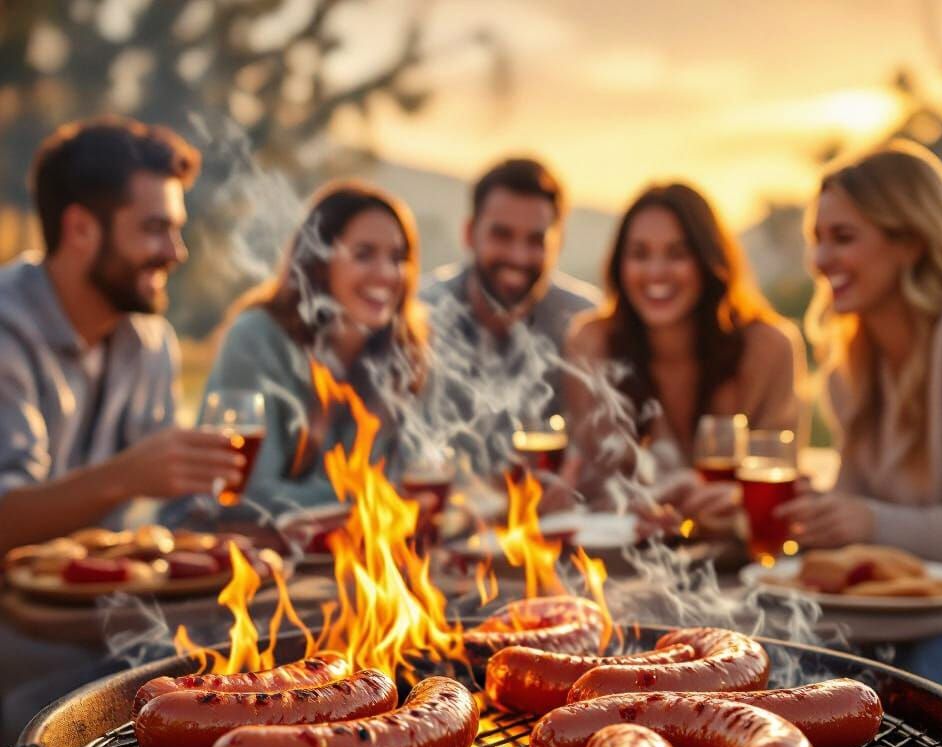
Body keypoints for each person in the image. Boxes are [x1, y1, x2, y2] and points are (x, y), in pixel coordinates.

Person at [779, 140, 942, 699]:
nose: (820, 261)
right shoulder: (851, 361)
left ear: (910, 240)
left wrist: (869, 522)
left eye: (843, 238)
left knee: (912, 687)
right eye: (817, 240)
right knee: (777, 655)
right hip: (903, 610)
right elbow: (853, 530)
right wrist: (810, 515)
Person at [0, 116, 242, 555]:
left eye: (176, 229)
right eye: (155, 229)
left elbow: (180, 509)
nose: (176, 252)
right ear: (80, 230)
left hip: (98, 607)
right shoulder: (7, 331)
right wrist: (123, 477)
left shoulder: (149, 340)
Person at [563, 182, 805, 523]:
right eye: (640, 254)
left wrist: (730, 503)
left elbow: (780, 486)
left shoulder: (769, 348)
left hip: (739, 563)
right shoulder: (592, 343)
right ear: (619, 266)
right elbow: (590, 484)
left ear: (709, 261)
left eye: (678, 254)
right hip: (631, 561)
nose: (656, 272)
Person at [202, 180, 429, 511]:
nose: (386, 274)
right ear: (318, 261)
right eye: (363, 254)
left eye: (398, 258)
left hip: (331, 556)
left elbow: (412, 477)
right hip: (220, 549)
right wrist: (375, 501)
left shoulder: (400, 356)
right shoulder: (256, 339)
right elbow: (245, 498)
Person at [420, 157, 600, 473]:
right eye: (501, 235)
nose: (518, 256)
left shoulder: (584, 323)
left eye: (535, 240)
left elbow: (604, 448)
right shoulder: (422, 315)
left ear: (559, 244)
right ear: (469, 234)